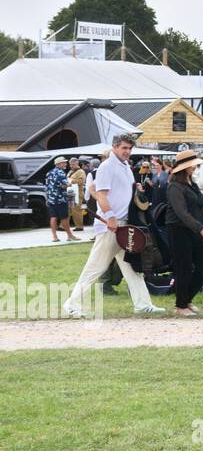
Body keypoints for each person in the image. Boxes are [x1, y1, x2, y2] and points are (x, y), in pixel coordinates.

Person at [62, 134, 164, 317]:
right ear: (115, 147)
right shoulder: (107, 167)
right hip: (111, 226)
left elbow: (120, 192)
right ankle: (71, 304)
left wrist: (136, 190)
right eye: (124, 148)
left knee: (133, 268)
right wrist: (110, 218)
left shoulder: (125, 166)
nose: (127, 151)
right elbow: (101, 195)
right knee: (96, 267)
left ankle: (143, 305)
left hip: (124, 224)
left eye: (130, 148)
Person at [163, 149, 203, 317]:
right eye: (192, 164)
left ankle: (186, 299)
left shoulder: (191, 184)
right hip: (178, 230)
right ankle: (181, 305)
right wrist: (201, 228)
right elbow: (182, 213)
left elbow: (196, 211)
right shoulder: (174, 187)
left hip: (192, 229)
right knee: (183, 268)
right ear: (184, 167)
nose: (195, 167)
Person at [45, 156, 74, 242]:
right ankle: (70, 235)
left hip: (51, 198)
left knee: (53, 217)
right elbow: (66, 185)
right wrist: (70, 181)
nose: (65, 164)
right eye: (64, 162)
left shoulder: (49, 173)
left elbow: (47, 186)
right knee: (64, 217)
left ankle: (55, 237)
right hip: (61, 199)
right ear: (59, 164)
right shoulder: (61, 173)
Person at [67, 158, 88, 232]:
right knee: (69, 209)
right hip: (71, 192)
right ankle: (63, 226)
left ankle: (79, 226)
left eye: (73, 164)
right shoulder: (70, 172)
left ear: (77, 164)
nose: (71, 166)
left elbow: (81, 181)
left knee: (76, 210)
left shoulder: (81, 171)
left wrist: (72, 181)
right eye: (70, 164)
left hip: (78, 193)